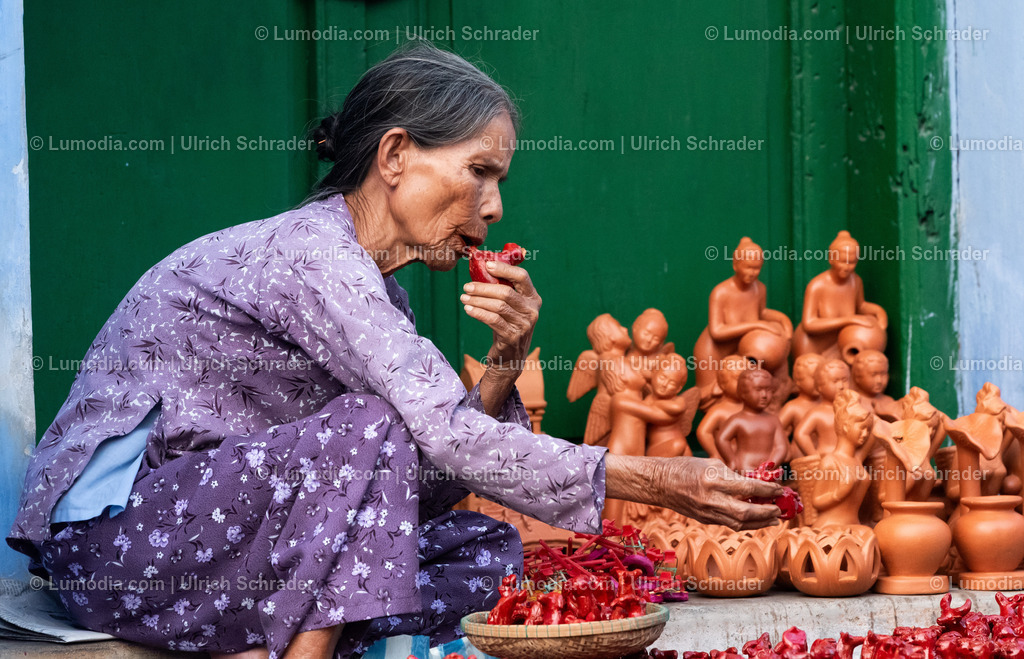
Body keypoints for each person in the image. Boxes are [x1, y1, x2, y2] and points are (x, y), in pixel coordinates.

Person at [9, 43, 782, 659]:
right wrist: (658, 479)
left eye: (499, 179)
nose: (495, 204)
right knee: (371, 424)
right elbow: (414, 437)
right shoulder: (315, 252)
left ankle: (262, 644)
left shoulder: (381, 294)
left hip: (223, 556)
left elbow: (422, 485)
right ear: (395, 156)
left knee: (488, 550)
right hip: (118, 547)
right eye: (479, 171)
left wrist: (508, 358)